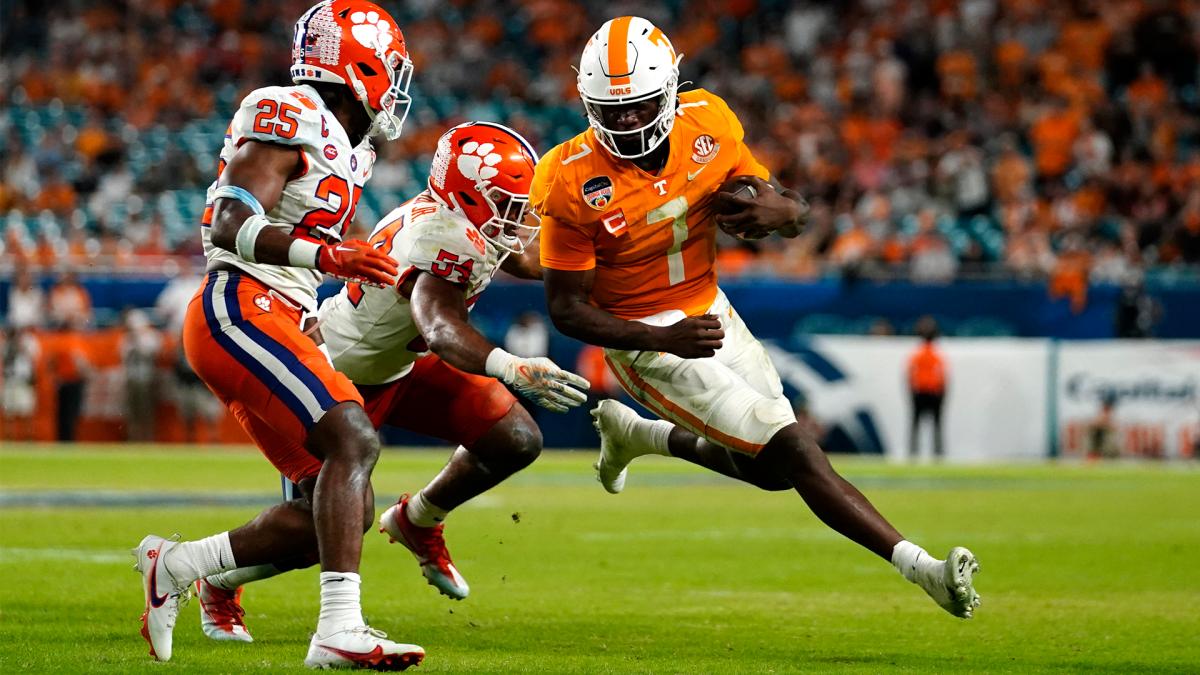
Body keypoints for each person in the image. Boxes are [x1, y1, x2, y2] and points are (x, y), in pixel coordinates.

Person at [534, 17, 980, 620]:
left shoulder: (709, 125)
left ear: (668, 91)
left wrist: (781, 209)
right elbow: (566, 310)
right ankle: (921, 568)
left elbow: (790, 211)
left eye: (639, 108)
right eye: (612, 112)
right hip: (645, 338)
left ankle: (640, 435)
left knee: (773, 470)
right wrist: (660, 336)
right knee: (794, 449)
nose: (627, 124)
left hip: (710, 310)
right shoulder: (567, 179)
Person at [191, 121, 589, 638]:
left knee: (513, 438)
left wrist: (604, 255)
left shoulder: (466, 217)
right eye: (508, 204)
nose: (521, 216)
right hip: (334, 375)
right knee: (322, 529)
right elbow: (442, 329)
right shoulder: (441, 235)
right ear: (469, 196)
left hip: (397, 363)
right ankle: (216, 581)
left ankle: (418, 519)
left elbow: (527, 255)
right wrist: (511, 366)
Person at [132, 1, 426, 668]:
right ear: (359, 65)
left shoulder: (351, 146)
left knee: (332, 508)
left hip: (281, 313)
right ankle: (337, 631)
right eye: (390, 70)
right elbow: (227, 219)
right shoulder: (288, 110)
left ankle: (177, 565)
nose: (396, 87)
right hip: (238, 305)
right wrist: (328, 257)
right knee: (353, 436)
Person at [908, 316, 947, 460]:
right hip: (931, 392)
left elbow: (911, 375)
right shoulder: (934, 355)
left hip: (922, 392)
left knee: (918, 425)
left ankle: (916, 452)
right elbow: (942, 377)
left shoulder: (919, 355)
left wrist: (912, 392)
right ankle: (936, 453)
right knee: (934, 425)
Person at [1, 325, 41, 440]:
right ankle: (9, 437)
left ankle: (28, 437)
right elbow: (6, 360)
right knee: (9, 412)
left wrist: (22, 348)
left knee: (26, 411)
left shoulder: (29, 343)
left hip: (24, 381)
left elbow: (34, 360)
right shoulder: (6, 345)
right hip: (10, 380)